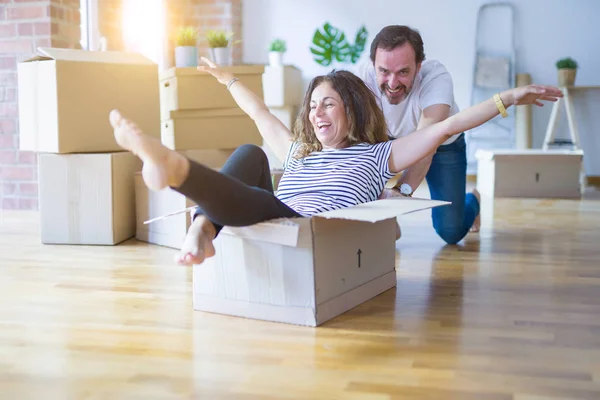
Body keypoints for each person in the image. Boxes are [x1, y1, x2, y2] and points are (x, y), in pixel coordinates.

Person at [108, 57, 561, 266]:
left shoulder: (380, 155)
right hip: (270, 213)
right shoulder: (299, 152)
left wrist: (509, 99)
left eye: (328, 104)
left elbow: (445, 128)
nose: (316, 113)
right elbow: (259, 113)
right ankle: (200, 223)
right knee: (249, 153)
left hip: (305, 225)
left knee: (260, 195)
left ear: (350, 109)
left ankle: (185, 190)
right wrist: (227, 79)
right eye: (313, 106)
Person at [354, 25, 480, 244]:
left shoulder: (436, 78)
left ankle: (473, 200)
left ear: (418, 66)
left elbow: (426, 143)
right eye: (384, 71)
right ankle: (389, 224)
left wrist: (402, 193)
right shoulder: (362, 77)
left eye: (403, 72)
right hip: (388, 139)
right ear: (373, 64)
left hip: (441, 145)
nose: (392, 83)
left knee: (450, 232)